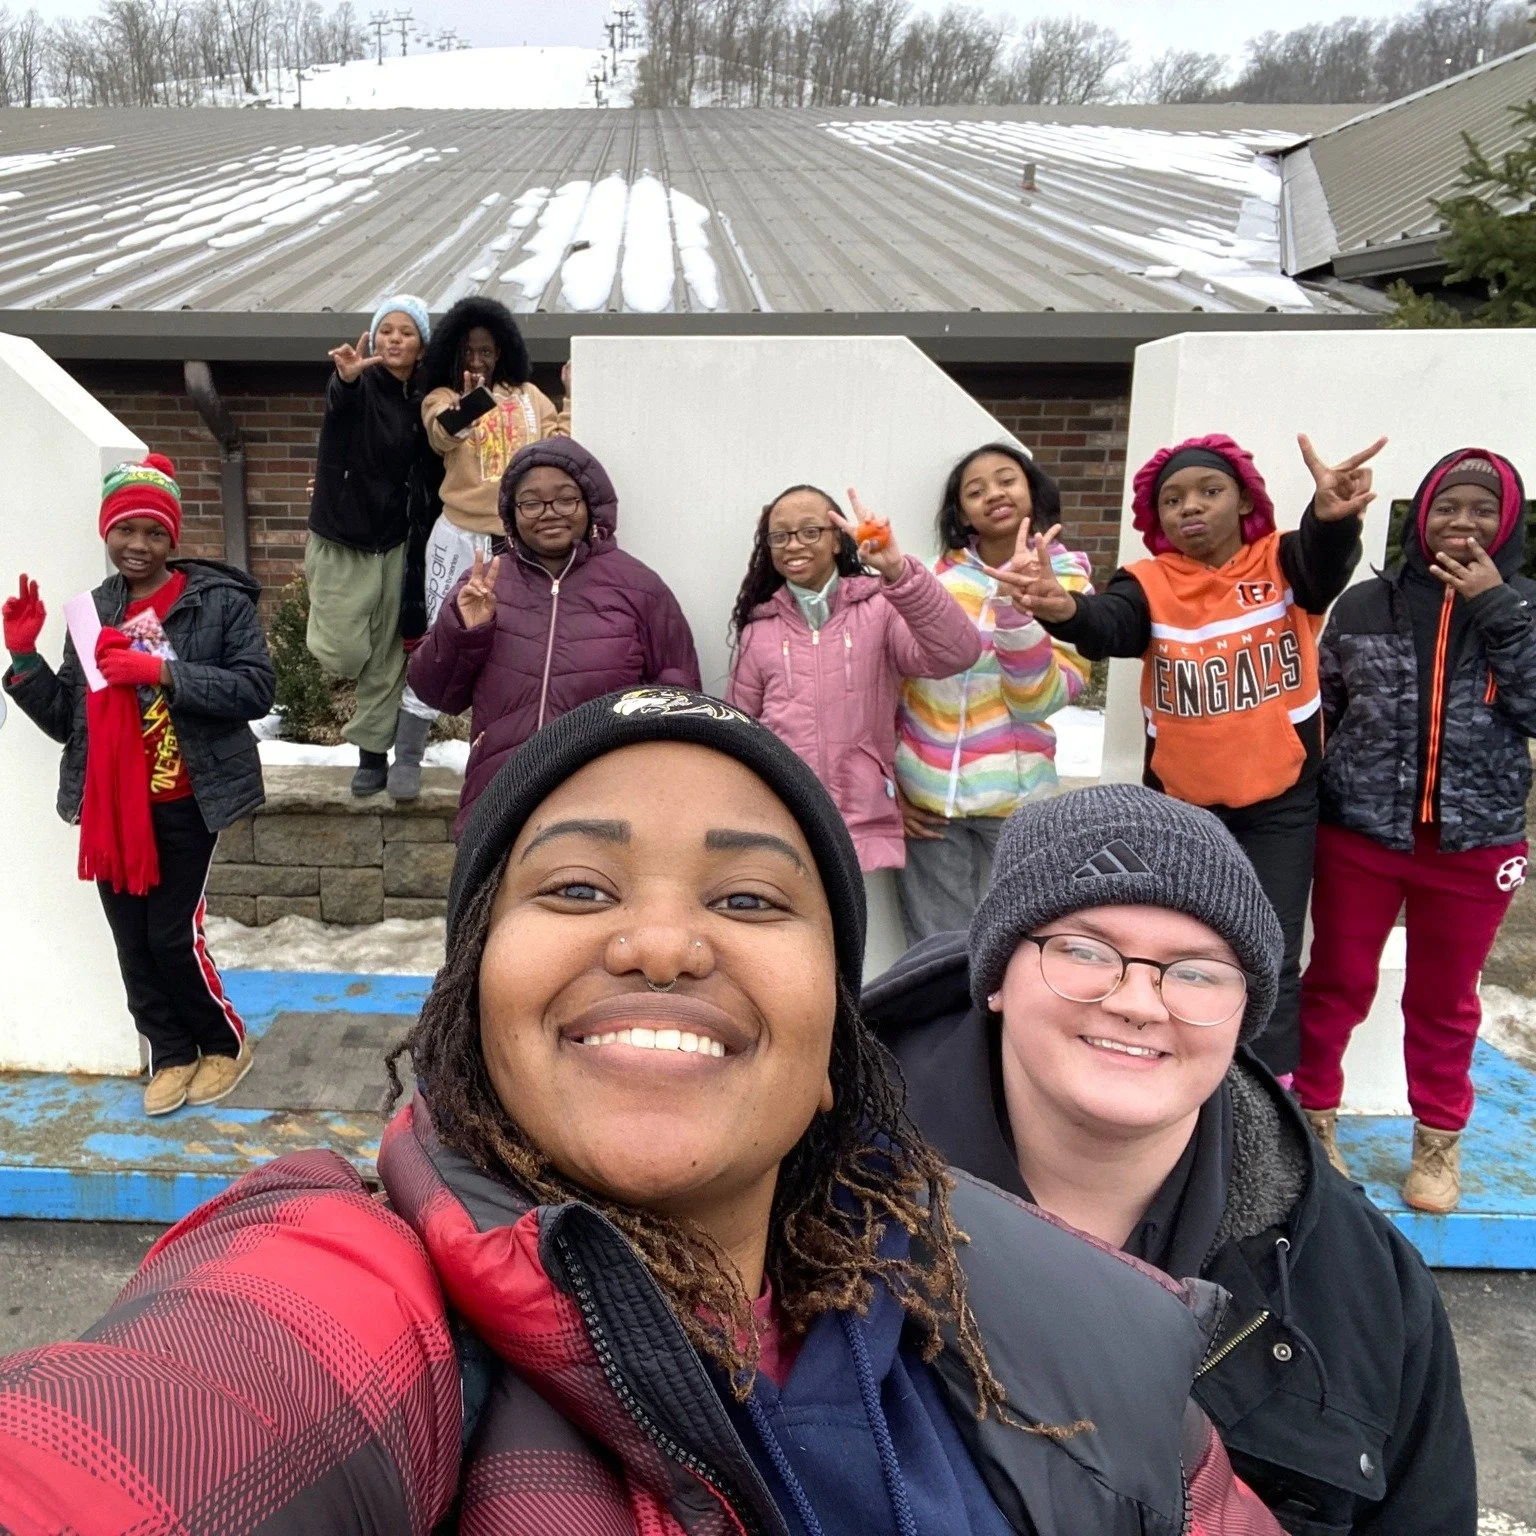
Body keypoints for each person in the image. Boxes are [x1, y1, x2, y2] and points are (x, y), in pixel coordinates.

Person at [0, 688, 1287, 1535]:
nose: (662, 942)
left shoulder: (1071, 1328)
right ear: (473, 1010)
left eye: (748, 902)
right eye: (574, 889)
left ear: (835, 1047)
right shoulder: (346, 1287)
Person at [866, 783, 1476, 1536]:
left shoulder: (1359, 1282)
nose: (1139, 1002)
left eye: (1194, 971)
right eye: (1085, 951)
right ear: (995, 976)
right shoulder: (815, 1207)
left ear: (1244, 1010)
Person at [1003, 433, 1384, 1077]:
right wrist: (1062, 608)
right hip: (1182, 811)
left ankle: (1272, 1097)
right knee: (1180, 951)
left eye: (1210, 491)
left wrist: (1333, 516)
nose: (1190, 507)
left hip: (1280, 806)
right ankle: (1181, 1084)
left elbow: (1326, 561)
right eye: (1173, 499)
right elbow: (1107, 626)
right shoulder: (1148, 583)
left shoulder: (1285, 562)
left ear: (1244, 502)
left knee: (1271, 956)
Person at [1296, 448, 1536, 1213]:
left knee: (1444, 998)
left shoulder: (1524, 609)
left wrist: (1497, 609)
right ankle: (1314, 1122)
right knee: (1335, 983)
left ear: (1508, 524)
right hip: (1362, 836)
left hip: (1475, 846)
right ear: (1419, 515)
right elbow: (1324, 706)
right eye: (1446, 507)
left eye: (1481, 509)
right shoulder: (1366, 607)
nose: (1462, 522)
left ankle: (1437, 1143)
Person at [1, 455, 274, 1117]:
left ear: (172, 539)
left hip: (189, 796)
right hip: (113, 808)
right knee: (131, 943)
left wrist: (162, 671)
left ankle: (223, 1043)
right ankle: (171, 1054)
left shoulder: (217, 601)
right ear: (108, 532)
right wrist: (25, 658)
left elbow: (257, 690)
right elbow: (72, 722)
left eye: (154, 532)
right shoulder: (92, 613)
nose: (138, 545)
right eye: (126, 530)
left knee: (171, 937)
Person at [406, 440, 701, 835]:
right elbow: (435, 693)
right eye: (531, 502)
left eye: (565, 500)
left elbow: (679, 699)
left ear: (590, 505)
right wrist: (464, 627)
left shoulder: (640, 590)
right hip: (499, 802)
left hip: (603, 807)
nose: (549, 514)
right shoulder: (484, 585)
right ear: (512, 512)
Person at [894, 444, 1094, 946]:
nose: (994, 494)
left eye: (1007, 480)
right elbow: (894, 684)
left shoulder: (1068, 584)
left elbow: (1041, 699)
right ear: (960, 513)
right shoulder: (933, 582)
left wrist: (1016, 614)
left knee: (1028, 945)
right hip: (928, 802)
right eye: (975, 490)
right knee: (936, 950)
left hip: (1020, 802)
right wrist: (892, 786)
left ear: (1032, 491)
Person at [726, 483, 980, 873]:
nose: (794, 545)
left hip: (860, 818)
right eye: (780, 536)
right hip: (783, 819)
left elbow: (957, 653)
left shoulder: (880, 609)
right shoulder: (759, 629)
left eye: (811, 531)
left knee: (850, 932)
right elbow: (741, 733)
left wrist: (897, 571)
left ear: (836, 542)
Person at [391, 296, 572, 800]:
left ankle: (512, 754)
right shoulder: (443, 396)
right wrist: (472, 401)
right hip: (458, 537)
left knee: (515, 649)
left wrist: (576, 395)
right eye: (469, 351)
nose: (478, 361)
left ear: (503, 351)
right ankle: (408, 751)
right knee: (439, 638)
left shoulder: (531, 397)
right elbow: (441, 436)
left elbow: (558, 437)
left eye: (488, 352)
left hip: (518, 542)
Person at [305, 294, 431, 796]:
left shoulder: (422, 396)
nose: (394, 339)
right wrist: (347, 378)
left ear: (421, 345)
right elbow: (340, 406)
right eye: (387, 330)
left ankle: (372, 756)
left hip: (394, 543)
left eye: (406, 331)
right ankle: (370, 739)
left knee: (384, 658)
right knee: (343, 652)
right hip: (342, 538)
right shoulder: (359, 384)